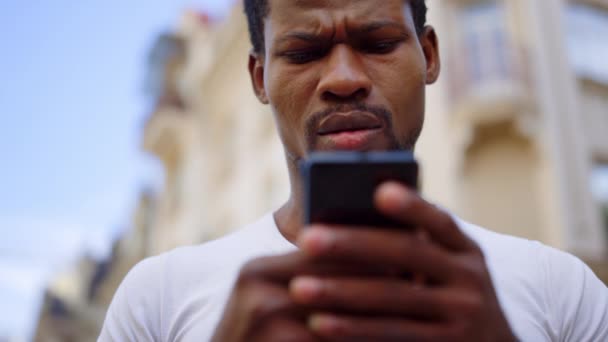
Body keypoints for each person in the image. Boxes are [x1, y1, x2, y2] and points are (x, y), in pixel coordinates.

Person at [99, 0, 608, 341]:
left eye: (378, 43)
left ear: (429, 56)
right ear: (260, 78)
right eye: (304, 53)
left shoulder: (560, 289)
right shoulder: (158, 300)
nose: (344, 79)